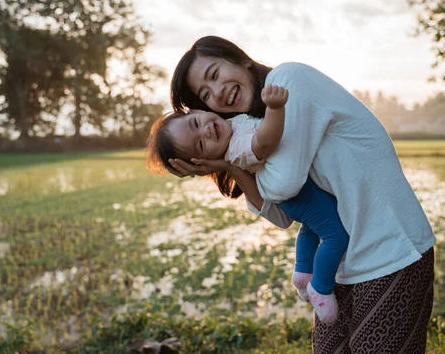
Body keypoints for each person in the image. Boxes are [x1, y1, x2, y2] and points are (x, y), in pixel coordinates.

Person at [166, 35, 436, 354]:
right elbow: (283, 216)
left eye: (214, 74)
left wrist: (229, 162)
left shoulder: (288, 81)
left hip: (390, 249)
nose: (218, 92)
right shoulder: (254, 126)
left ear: (240, 59)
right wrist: (231, 165)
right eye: (206, 95)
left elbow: (284, 186)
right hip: (342, 263)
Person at [145, 85, 349, 324]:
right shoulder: (236, 150)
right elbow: (264, 142)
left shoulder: (234, 124)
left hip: (299, 197)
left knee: (310, 229)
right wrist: (275, 108)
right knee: (336, 235)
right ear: (206, 160)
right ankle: (321, 288)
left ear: (195, 111)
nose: (206, 132)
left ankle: (303, 271)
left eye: (195, 123)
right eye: (200, 145)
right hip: (300, 195)